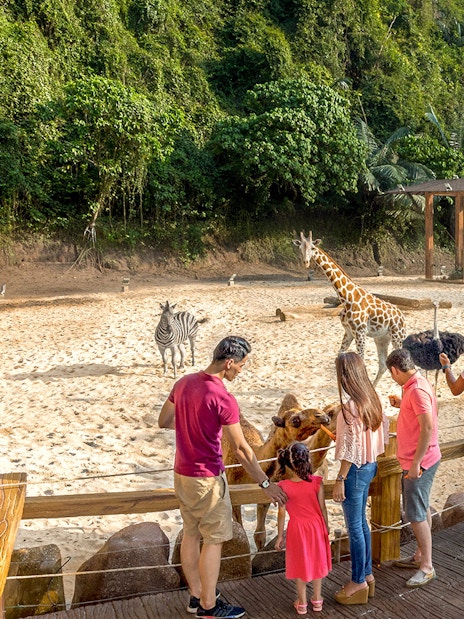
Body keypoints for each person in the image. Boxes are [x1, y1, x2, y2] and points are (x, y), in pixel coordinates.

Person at [158, 335, 287, 619]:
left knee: (191, 535)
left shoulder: (183, 383)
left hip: (181, 474)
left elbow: (164, 420)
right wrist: (265, 484)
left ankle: (195, 596)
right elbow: (241, 449)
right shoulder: (223, 398)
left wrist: (192, 424)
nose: (241, 370)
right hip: (207, 480)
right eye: (241, 365)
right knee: (214, 540)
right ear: (229, 363)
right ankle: (209, 606)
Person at [332, 352, 386, 605]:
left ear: (345, 376)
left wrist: (340, 478)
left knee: (354, 527)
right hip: (370, 465)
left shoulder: (349, 408)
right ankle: (367, 575)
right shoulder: (372, 400)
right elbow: (381, 436)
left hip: (354, 470)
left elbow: (350, 447)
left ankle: (358, 582)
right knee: (362, 524)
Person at [386, 348, 441, 588]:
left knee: (415, 514)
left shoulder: (416, 390)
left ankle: (427, 567)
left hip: (419, 461)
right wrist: (402, 405)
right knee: (422, 508)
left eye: (392, 374)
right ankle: (420, 555)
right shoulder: (416, 385)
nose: (393, 377)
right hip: (423, 458)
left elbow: (427, 428)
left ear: (395, 370)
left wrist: (416, 463)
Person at [275, 442, 331, 614]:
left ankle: (302, 603)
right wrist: (326, 528)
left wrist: (279, 536)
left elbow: (282, 514)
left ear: (289, 463)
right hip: (316, 526)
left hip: (296, 528)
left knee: (300, 565)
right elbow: (322, 508)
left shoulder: (283, 486)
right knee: (316, 563)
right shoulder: (316, 482)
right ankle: (317, 600)